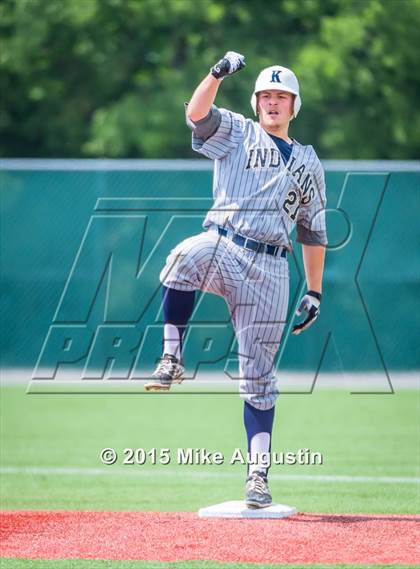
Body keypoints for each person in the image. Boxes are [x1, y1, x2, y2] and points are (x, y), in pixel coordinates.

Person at [144, 51, 327, 508]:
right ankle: (171, 358)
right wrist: (215, 72)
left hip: (271, 267)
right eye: (266, 94)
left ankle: (258, 478)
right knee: (183, 257)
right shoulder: (237, 131)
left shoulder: (308, 162)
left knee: (259, 379)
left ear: (294, 105)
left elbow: (313, 231)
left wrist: (315, 290)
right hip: (224, 243)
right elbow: (195, 114)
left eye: (281, 96)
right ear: (255, 100)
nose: (272, 102)